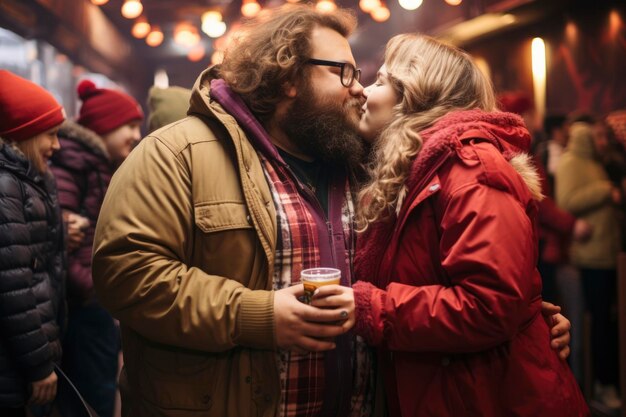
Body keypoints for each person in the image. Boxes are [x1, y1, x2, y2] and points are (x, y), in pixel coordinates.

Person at [92, 5, 573, 417]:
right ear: (288, 78)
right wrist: (256, 315)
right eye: (344, 72)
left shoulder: (366, 165)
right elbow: (124, 272)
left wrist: (524, 320)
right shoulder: (177, 153)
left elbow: (464, 283)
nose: (359, 89)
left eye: (365, 76)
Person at [312, 34, 588, 417]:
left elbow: (488, 305)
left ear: (412, 97)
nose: (363, 91)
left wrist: (372, 307)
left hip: (494, 397)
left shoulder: (471, 169)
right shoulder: (413, 170)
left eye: (379, 82)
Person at [49, 79, 143, 417]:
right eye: (129, 126)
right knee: (92, 394)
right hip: (82, 303)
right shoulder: (75, 162)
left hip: (89, 299)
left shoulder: (98, 162)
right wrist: (95, 289)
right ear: (104, 126)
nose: (135, 135)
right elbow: (64, 241)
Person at [0, 70, 66, 416]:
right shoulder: (7, 187)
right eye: (50, 135)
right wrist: (39, 364)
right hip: (14, 368)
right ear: (22, 136)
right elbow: (13, 290)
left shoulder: (29, 180)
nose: (57, 145)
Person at [555, 120, 622, 410]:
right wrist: (605, 190)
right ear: (586, 137)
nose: (603, 141)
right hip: (589, 256)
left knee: (609, 321)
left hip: (606, 254)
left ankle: (606, 383)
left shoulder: (594, 163)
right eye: (598, 136)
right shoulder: (571, 162)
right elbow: (567, 201)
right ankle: (599, 386)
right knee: (598, 324)